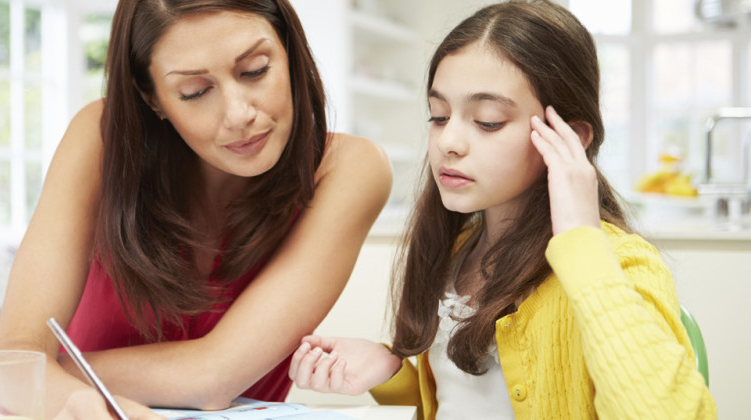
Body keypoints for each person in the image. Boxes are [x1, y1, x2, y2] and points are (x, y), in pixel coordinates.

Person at [0, 0, 392, 418]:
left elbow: (213, 378)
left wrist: (20, 377)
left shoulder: (349, 169)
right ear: (153, 99)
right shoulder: (102, 138)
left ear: (290, 51)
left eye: (256, 70)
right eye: (195, 92)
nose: (240, 114)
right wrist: (26, 376)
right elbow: (19, 346)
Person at [287, 1, 717, 419]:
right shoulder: (454, 252)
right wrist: (392, 373)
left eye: (488, 121)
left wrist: (580, 241)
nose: (447, 141)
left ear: (569, 135)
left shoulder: (621, 263)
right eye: (438, 116)